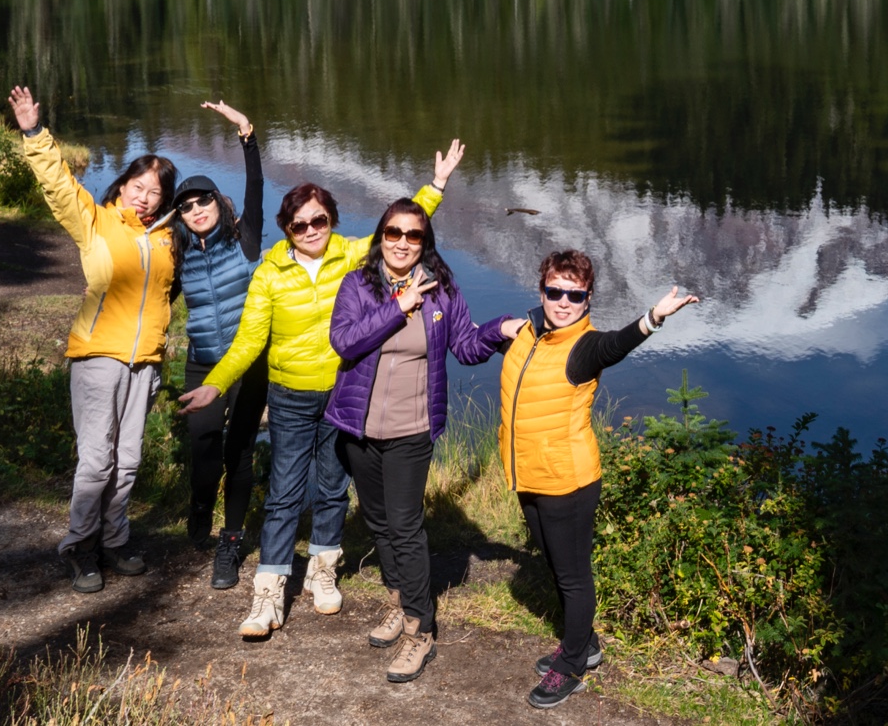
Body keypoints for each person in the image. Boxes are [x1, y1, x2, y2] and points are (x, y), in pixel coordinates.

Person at [177, 140, 466, 643]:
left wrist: (435, 187)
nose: (311, 231)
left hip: (340, 395)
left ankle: (323, 569)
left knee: (334, 487)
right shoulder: (269, 272)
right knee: (286, 490)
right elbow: (249, 339)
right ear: (286, 228)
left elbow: (402, 232)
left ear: (331, 221)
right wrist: (216, 383)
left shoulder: (350, 255)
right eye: (300, 224)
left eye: (320, 221)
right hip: (289, 394)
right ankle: (268, 590)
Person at [489, 251, 699, 709]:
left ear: (588, 299)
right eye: (554, 291)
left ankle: (571, 668)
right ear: (541, 290)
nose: (562, 302)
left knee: (573, 577)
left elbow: (616, 345)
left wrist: (652, 319)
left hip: (568, 479)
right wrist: (492, 330)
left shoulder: (583, 347)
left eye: (574, 294)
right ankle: (585, 642)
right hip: (529, 473)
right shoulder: (528, 334)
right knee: (552, 562)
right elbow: (478, 342)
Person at [8, 84, 177, 596]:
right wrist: (35, 133)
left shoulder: (168, 239)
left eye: (156, 192)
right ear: (122, 185)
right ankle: (79, 546)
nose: (145, 197)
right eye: (138, 186)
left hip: (144, 363)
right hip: (98, 356)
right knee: (96, 459)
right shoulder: (96, 222)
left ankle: (114, 538)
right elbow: (59, 183)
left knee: (128, 460)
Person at [326, 200, 503, 683]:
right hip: (359, 428)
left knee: (404, 526)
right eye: (393, 232)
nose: (402, 242)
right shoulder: (359, 286)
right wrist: (396, 307)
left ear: (426, 243)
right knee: (379, 523)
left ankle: (421, 631)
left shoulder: (441, 292)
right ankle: (400, 604)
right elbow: (344, 341)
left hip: (411, 430)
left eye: (413, 235)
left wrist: (499, 331)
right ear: (380, 235)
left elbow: (465, 346)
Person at [171, 100, 268, 589]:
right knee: (204, 445)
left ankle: (230, 544)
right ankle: (199, 502)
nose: (196, 210)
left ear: (217, 202)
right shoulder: (179, 256)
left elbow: (255, 185)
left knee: (240, 454)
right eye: (186, 207)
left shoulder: (245, 238)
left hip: (249, 366)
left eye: (202, 201)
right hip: (203, 363)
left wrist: (245, 132)